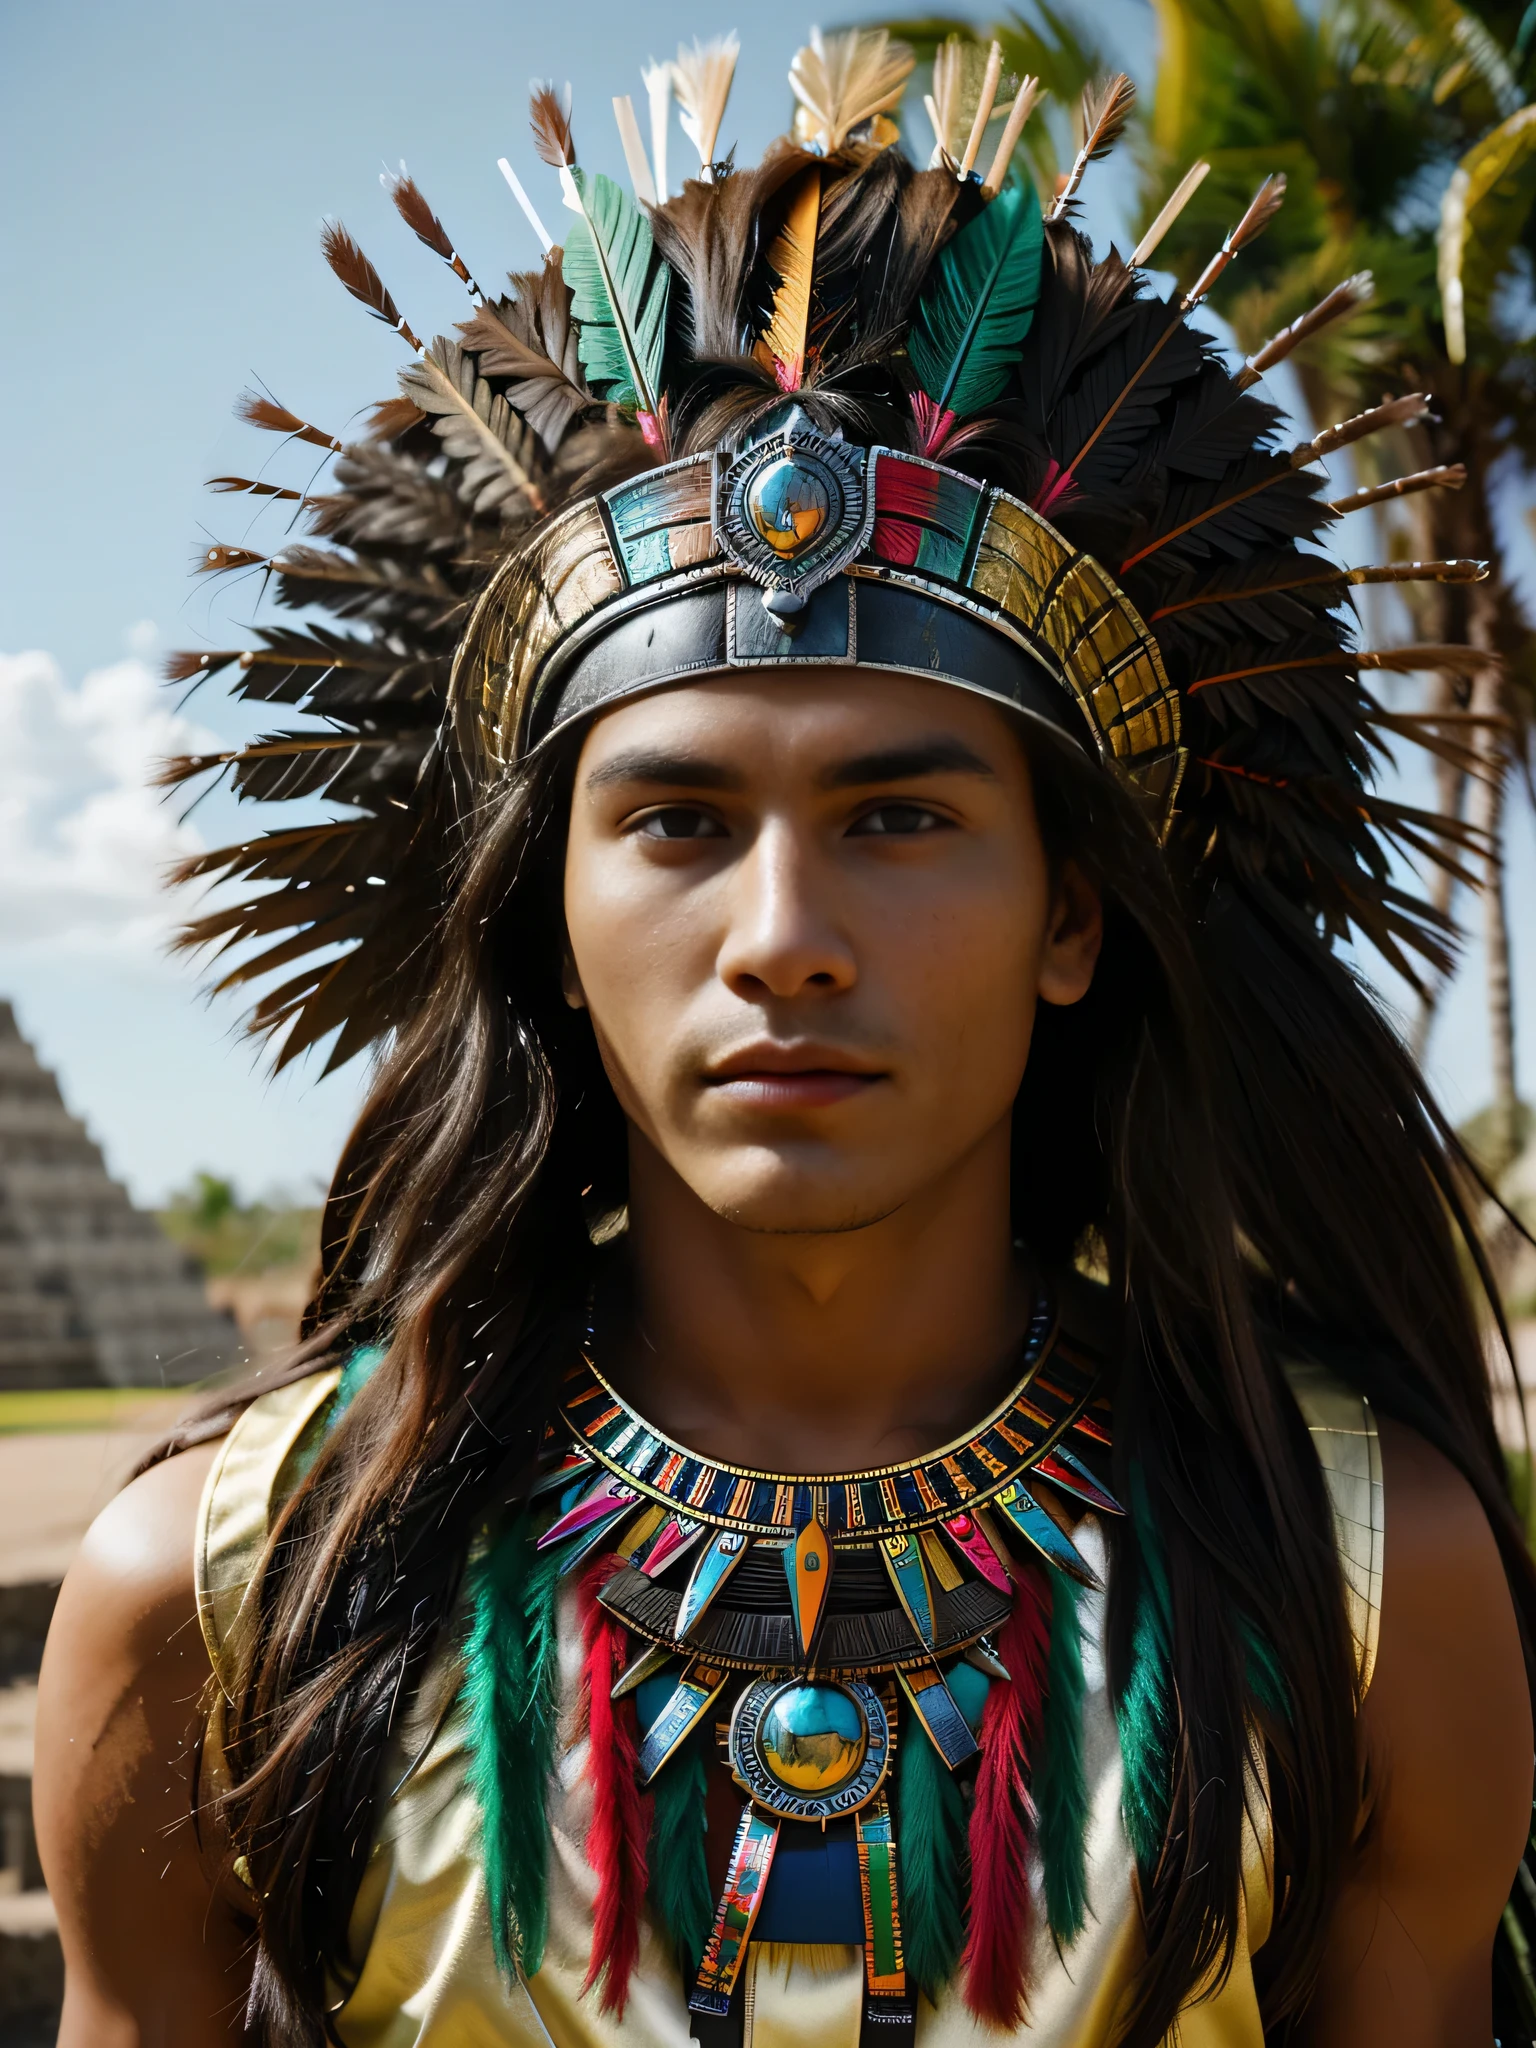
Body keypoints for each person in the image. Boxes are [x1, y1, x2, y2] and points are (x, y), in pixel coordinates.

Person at [31, 30, 1536, 2048]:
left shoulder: (1363, 1587)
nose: (785, 942)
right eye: (675, 822)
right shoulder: (221, 1588)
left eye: (901, 819)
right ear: (549, 924)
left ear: (1072, 914)